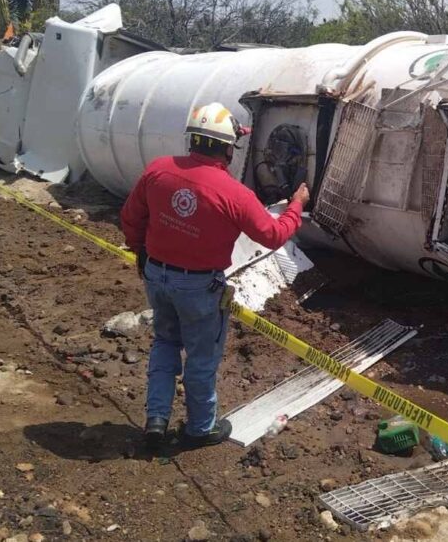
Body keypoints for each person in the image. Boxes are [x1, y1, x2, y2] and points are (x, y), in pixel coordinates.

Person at [120, 102, 309, 449]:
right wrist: (296, 205)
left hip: (157, 275)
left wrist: (140, 252)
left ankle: (157, 419)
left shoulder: (158, 171)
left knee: (164, 341)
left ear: (192, 139)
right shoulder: (233, 193)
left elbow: (131, 217)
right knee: (201, 356)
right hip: (199, 287)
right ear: (226, 147)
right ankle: (200, 427)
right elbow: (272, 235)